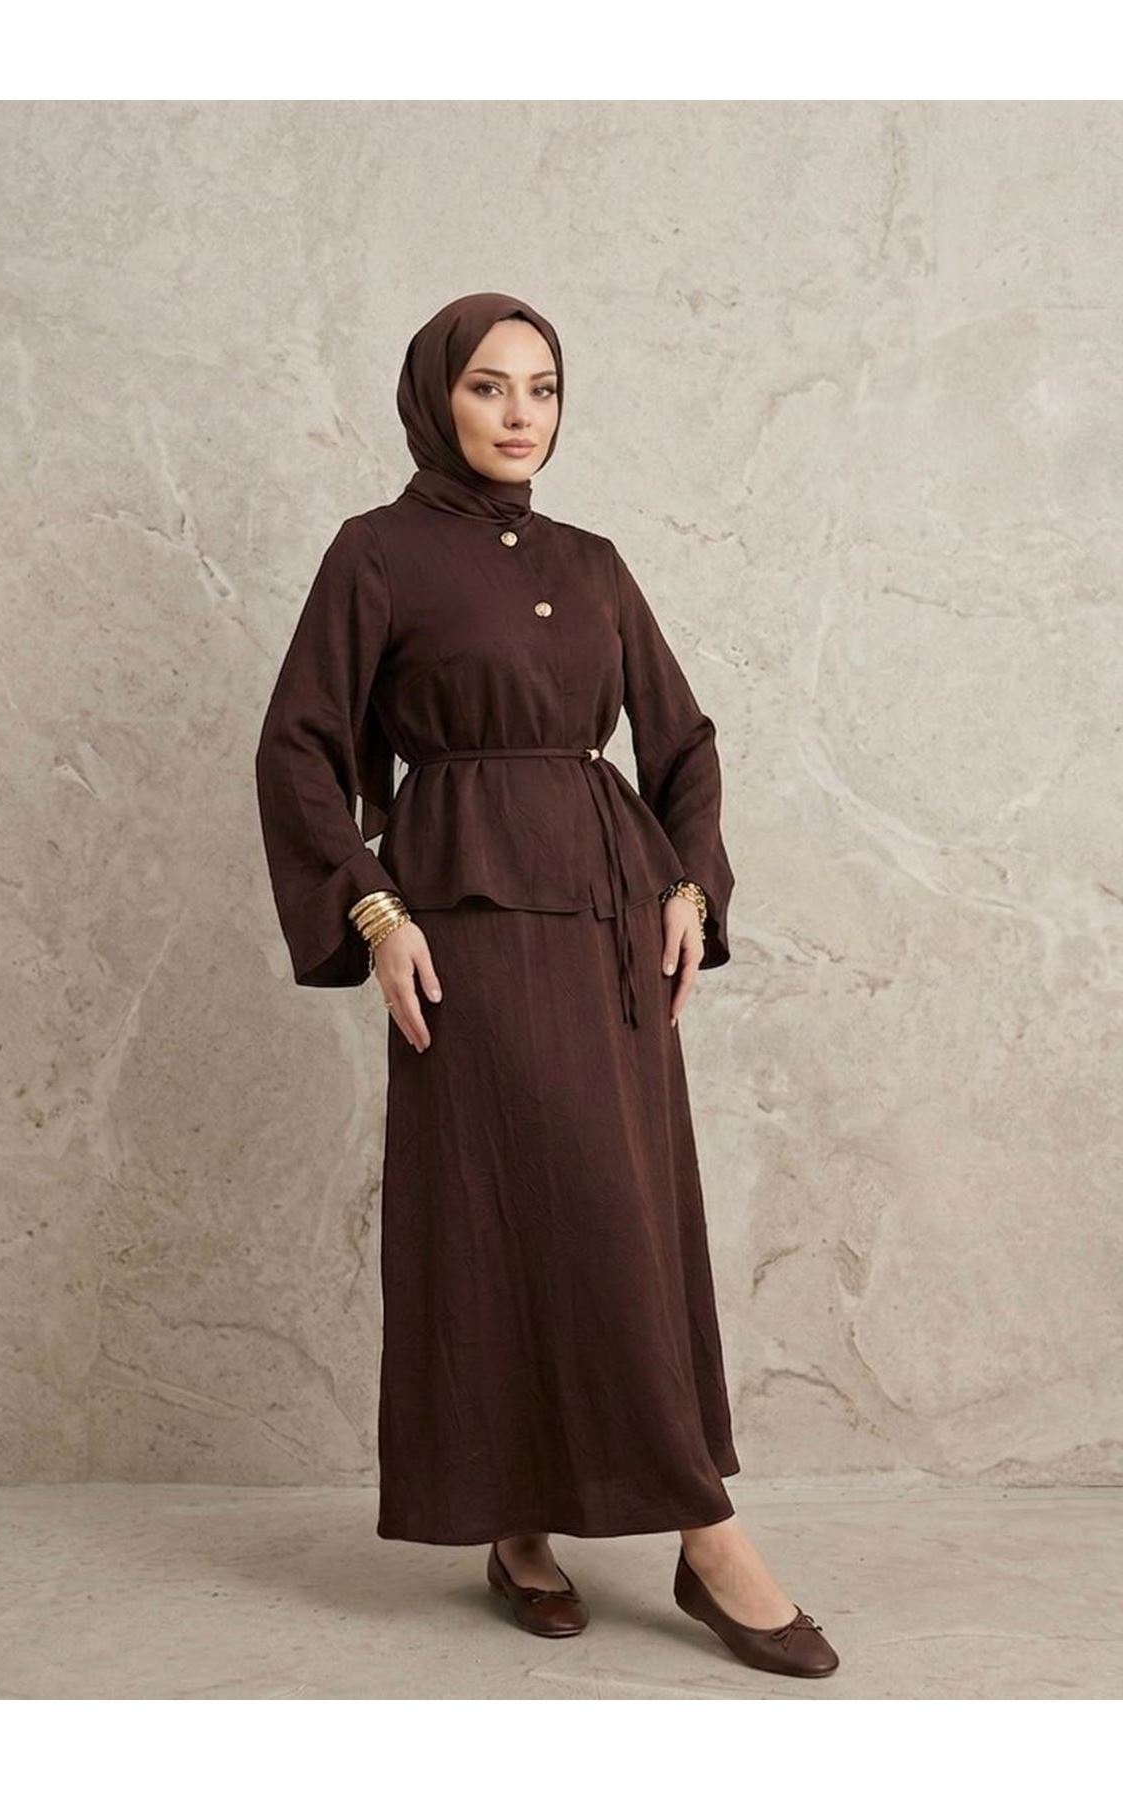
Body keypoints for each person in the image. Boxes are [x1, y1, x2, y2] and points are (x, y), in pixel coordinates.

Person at [254, 292, 839, 1679]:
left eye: (544, 388)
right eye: (489, 387)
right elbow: (299, 749)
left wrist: (690, 887)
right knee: (499, 1214)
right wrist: (375, 911)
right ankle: (651, 1533)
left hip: (610, 926)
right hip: (464, 931)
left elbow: (683, 743)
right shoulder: (376, 554)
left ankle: (600, 1526)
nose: (521, 415)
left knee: (626, 1212)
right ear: (435, 400)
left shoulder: (596, 564)